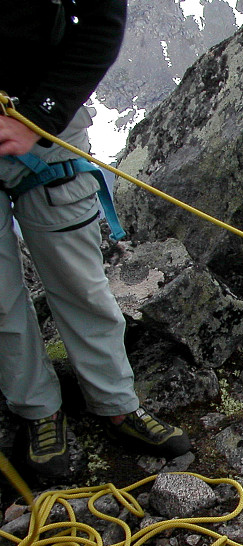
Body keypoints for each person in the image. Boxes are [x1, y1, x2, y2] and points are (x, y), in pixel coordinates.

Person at [0, 0, 191, 481]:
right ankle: (39, 411)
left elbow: (102, 23)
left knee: (80, 279)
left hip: (45, 121)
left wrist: (36, 116)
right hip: (42, 118)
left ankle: (115, 403)